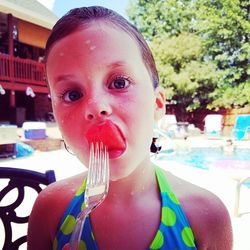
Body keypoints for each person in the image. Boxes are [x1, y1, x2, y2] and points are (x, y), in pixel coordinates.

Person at [27, 6, 233, 250]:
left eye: (119, 82)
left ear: (157, 104)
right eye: (72, 94)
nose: (97, 106)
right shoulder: (49, 209)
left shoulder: (206, 216)